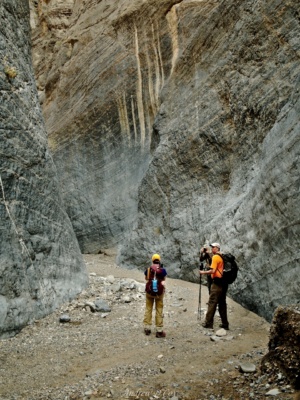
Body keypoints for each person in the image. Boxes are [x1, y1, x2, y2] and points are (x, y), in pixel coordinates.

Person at [199, 242, 229, 330]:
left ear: (217, 248)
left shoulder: (215, 256)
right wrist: (202, 252)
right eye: (211, 247)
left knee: (212, 301)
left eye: (213, 247)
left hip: (217, 282)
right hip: (223, 282)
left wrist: (202, 272)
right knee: (222, 302)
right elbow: (201, 259)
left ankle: (208, 323)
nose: (211, 249)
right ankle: (225, 324)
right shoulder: (222, 256)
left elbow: (213, 270)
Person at [143, 253, 167, 338]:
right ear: (159, 260)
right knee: (159, 310)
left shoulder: (148, 269)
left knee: (148, 309)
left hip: (149, 292)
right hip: (159, 294)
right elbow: (164, 279)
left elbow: (146, 278)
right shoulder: (163, 270)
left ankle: (147, 328)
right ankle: (159, 330)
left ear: (152, 260)